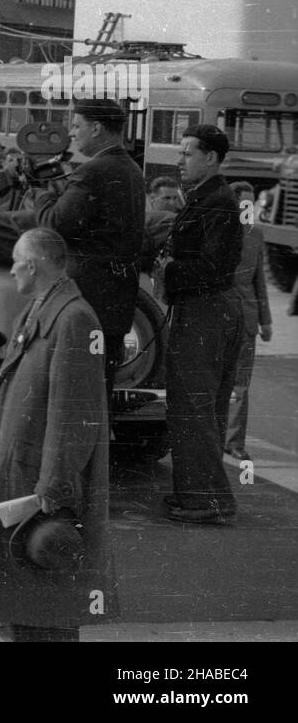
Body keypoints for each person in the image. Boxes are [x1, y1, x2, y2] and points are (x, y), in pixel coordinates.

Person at [0, 228, 114, 642]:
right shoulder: (43, 310)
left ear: (33, 264)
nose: (10, 269)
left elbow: (75, 416)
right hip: (18, 479)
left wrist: (52, 489)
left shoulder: (74, 319)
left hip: (36, 489)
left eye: (15, 261)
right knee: (23, 608)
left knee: (44, 604)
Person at [158, 125, 243, 524]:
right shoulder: (210, 198)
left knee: (193, 406)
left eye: (187, 153)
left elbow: (215, 266)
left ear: (210, 158)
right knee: (202, 408)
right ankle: (198, 495)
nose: (179, 160)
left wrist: (169, 270)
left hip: (205, 312)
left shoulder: (218, 202)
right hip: (210, 309)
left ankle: (208, 501)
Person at [33, 98, 145, 391]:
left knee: (76, 386)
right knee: (99, 386)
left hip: (87, 296)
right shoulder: (131, 169)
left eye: (76, 125)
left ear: (96, 128)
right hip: (115, 299)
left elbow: (55, 224)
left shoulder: (93, 171)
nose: (71, 132)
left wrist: (42, 192)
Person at [224, 181, 271, 462]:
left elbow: (260, 282)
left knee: (241, 384)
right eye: (243, 203)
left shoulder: (256, 235)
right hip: (219, 318)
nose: (248, 209)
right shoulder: (219, 232)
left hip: (248, 320)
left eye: (251, 204)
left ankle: (235, 442)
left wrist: (266, 320)